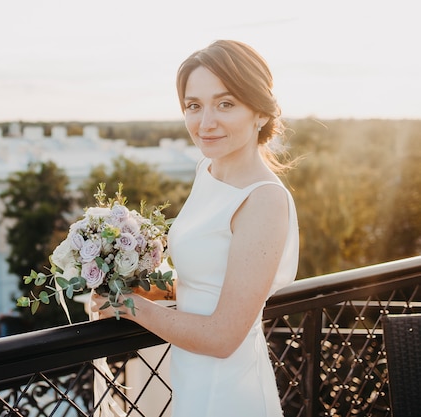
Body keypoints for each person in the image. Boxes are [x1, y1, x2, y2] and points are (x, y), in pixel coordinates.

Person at [91, 39, 299, 417]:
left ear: (261, 113)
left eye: (226, 103)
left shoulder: (264, 200)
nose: (205, 123)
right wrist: (141, 282)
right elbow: (210, 272)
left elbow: (222, 337)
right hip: (192, 378)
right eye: (193, 106)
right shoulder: (208, 169)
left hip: (230, 391)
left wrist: (128, 305)